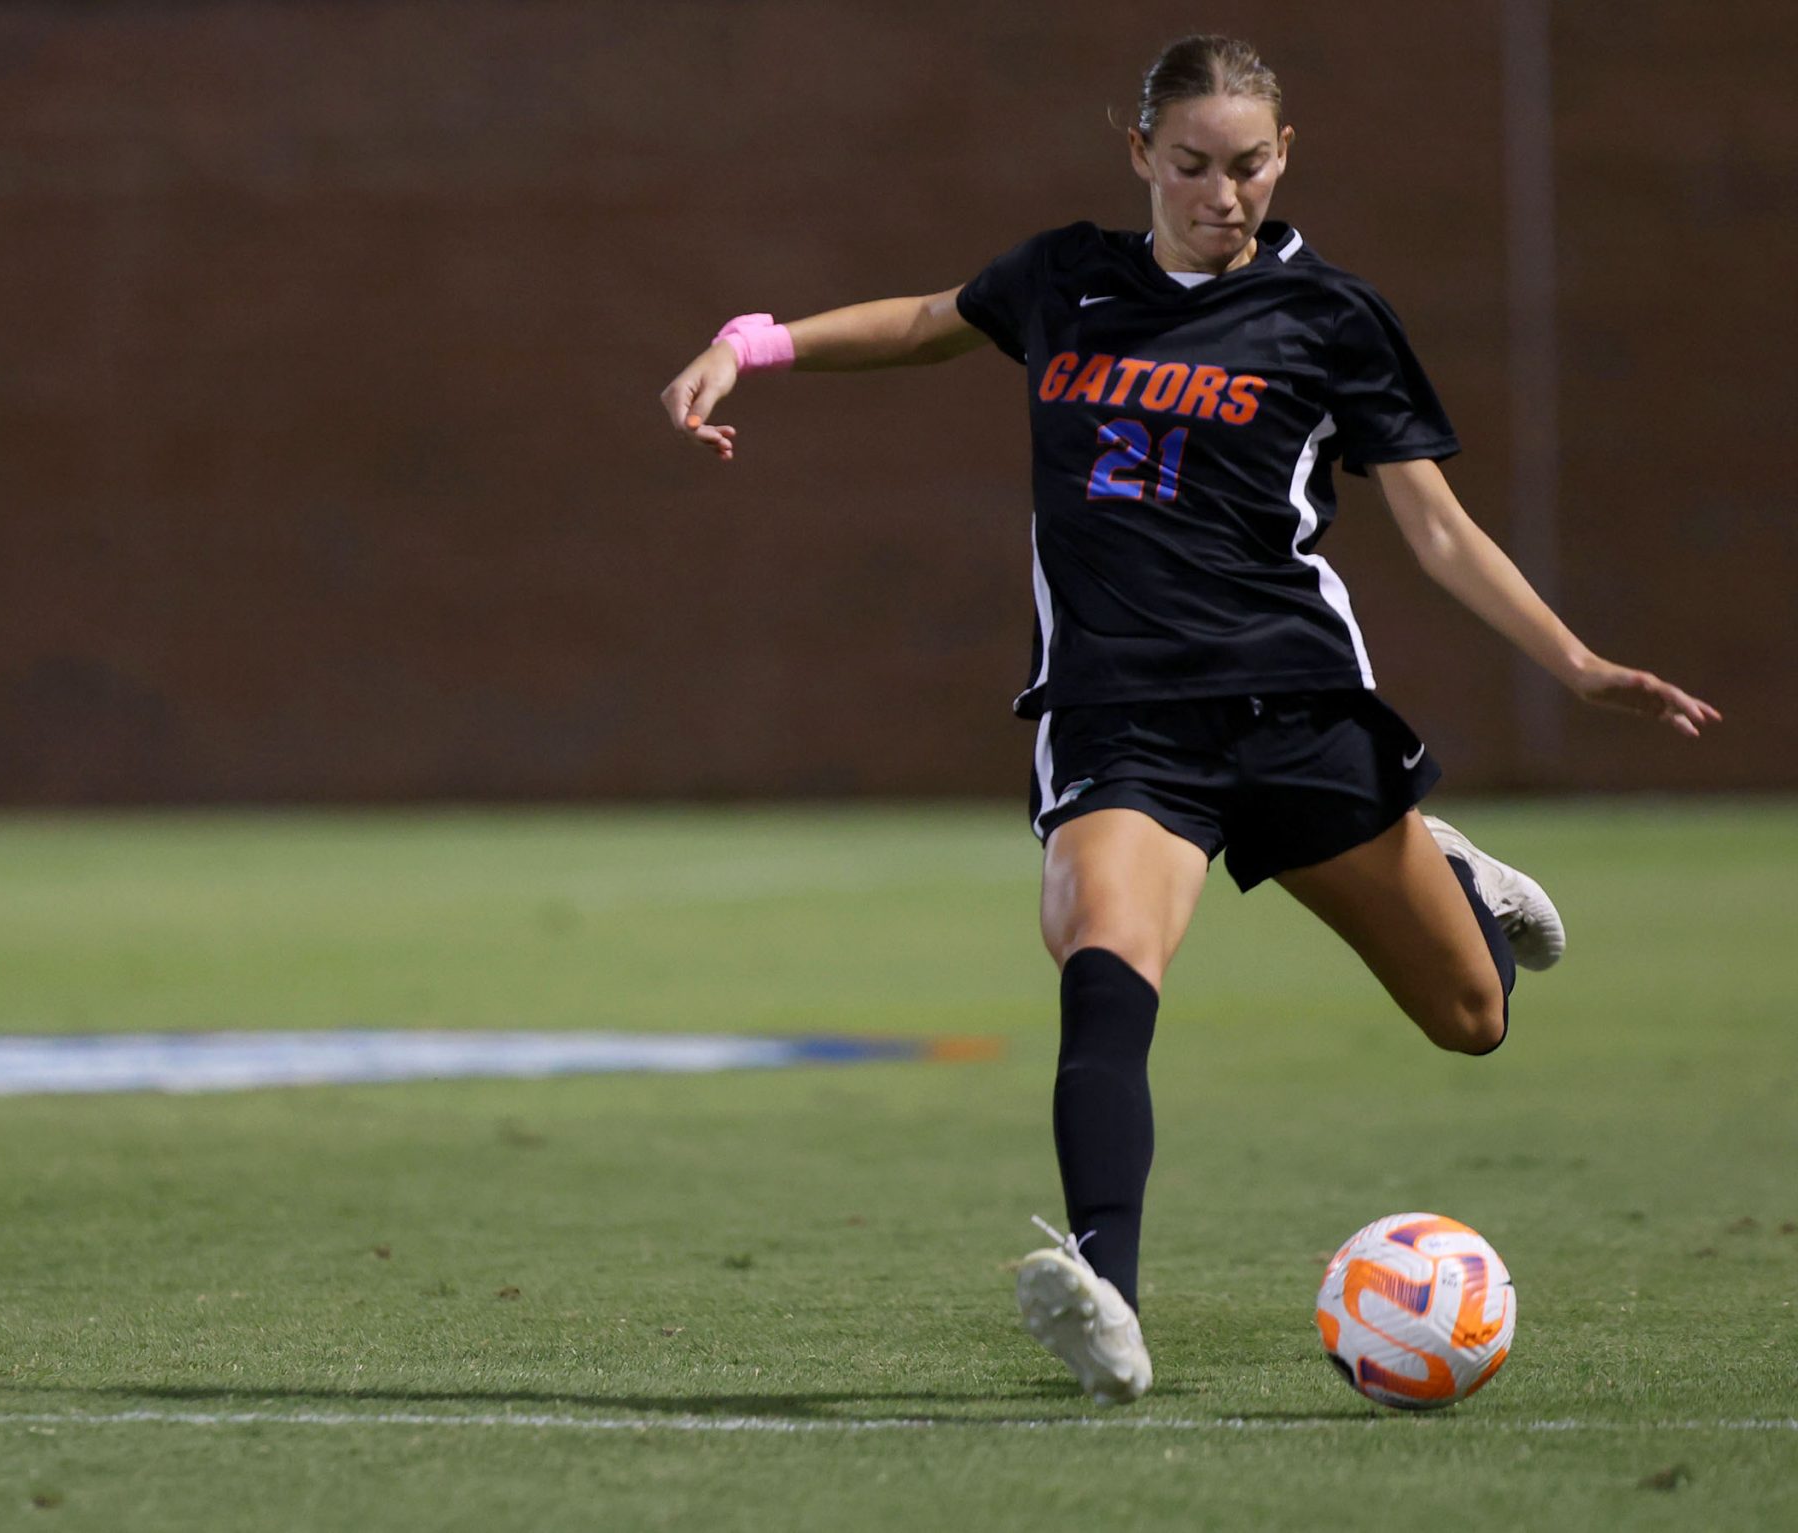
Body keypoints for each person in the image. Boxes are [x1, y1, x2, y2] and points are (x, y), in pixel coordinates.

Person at [656, 36, 1716, 1403]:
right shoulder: (1061, 278)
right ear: (1142, 154)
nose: (1226, 193)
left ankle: (1439, 861)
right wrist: (749, 345)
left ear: (1286, 156)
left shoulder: (1330, 314)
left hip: (1294, 706)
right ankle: (1105, 1288)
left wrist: (1576, 665)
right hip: (1118, 714)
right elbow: (925, 320)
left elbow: (1438, 532)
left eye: (1253, 165)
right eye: (1195, 164)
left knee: (1471, 1018)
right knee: (1103, 949)